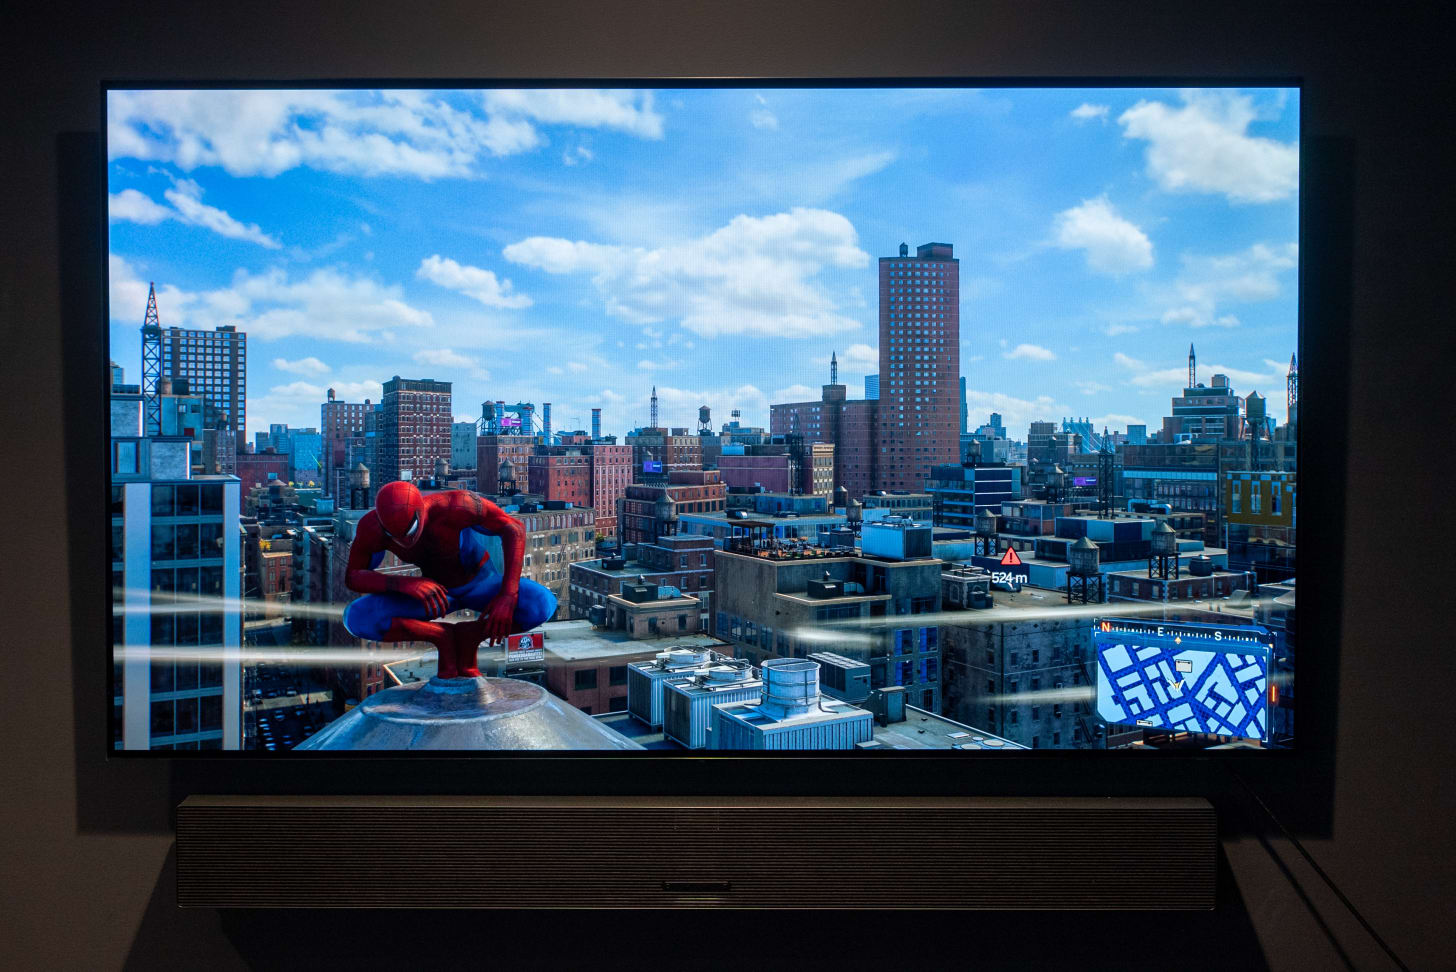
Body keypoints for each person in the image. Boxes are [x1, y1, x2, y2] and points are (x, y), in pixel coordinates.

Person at [342, 481, 556, 679]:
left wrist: (508, 595)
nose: (403, 541)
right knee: (356, 617)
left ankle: (470, 635)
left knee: (541, 604)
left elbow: (513, 528)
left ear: (420, 511)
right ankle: (440, 635)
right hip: (437, 594)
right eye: (393, 536)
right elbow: (353, 576)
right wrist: (403, 583)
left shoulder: (457, 505)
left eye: (410, 530)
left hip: (482, 585)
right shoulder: (372, 528)